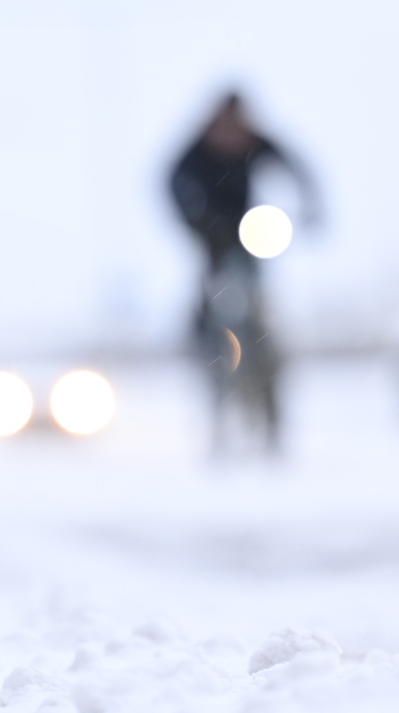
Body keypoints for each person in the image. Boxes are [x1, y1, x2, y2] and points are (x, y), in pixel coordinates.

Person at [169, 92, 320, 453]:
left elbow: (296, 167)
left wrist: (312, 205)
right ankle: (216, 395)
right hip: (213, 247)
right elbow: (171, 182)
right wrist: (195, 221)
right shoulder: (196, 150)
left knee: (263, 325)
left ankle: (270, 412)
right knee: (212, 320)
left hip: (250, 241)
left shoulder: (254, 142)